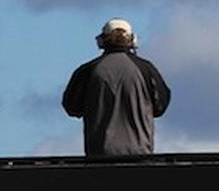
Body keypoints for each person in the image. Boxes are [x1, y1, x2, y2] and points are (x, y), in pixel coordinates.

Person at [62, 17, 171, 157]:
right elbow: (160, 105)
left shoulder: (88, 70)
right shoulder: (146, 69)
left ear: (102, 41)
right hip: (140, 153)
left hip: (98, 154)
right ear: (132, 40)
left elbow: (71, 106)